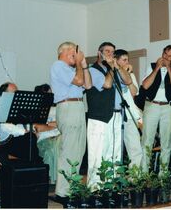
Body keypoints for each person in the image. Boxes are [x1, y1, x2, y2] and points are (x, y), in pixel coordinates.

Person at [86, 42, 132, 189]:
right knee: (98, 153)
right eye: (107, 51)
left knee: (115, 152)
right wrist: (112, 69)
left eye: (112, 52)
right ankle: (95, 188)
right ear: (99, 53)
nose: (110, 54)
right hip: (100, 117)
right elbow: (106, 84)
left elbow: (128, 81)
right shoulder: (93, 70)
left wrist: (117, 67)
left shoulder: (113, 69)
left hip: (117, 115)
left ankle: (111, 185)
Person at [50, 42, 91, 198]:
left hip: (78, 107)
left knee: (78, 150)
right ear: (65, 51)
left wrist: (84, 64)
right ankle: (62, 191)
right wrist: (80, 65)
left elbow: (87, 84)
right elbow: (79, 81)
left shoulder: (73, 70)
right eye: (74, 52)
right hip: (68, 107)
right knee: (69, 149)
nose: (76, 55)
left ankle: (72, 187)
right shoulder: (58, 65)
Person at [140, 45, 171, 172]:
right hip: (151, 106)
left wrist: (169, 68)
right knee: (147, 140)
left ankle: (163, 175)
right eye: (165, 54)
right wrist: (157, 68)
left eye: (170, 57)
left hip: (167, 108)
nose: (166, 58)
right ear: (162, 53)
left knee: (166, 142)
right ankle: (143, 174)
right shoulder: (152, 66)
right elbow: (145, 85)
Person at [0, 82, 41, 163]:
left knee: (32, 139)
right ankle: (33, 166)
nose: (17, 95)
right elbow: (6, 127)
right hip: (8, 143)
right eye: (15, 93)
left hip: (21, 139)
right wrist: (25, 132)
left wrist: (32, 130)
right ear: (4, 95)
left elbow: (26, 124)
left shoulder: (18, 110)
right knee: (30, 139)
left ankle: (34, 166)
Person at [114, 49, 143, 168]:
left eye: (128, 60)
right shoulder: (111, 74)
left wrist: (128, 76)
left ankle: (135, 176)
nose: (127, 62)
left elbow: (134, 92)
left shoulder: (130, 74)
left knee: (134, 147)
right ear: (116, 61)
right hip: (116, 115)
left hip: (130, 115)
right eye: (124, 60)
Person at [33, 83, 61, 184]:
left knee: (57, 146)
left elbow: (63, 123)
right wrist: (53, 124)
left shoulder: (58, 108)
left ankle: (58, 179)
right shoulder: (37, 110)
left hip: (59, 136)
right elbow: (38, 128)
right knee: (51, 149)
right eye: (47, 94)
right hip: (44, 139)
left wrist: (47, 124)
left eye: (51, 94)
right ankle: (51, 179)